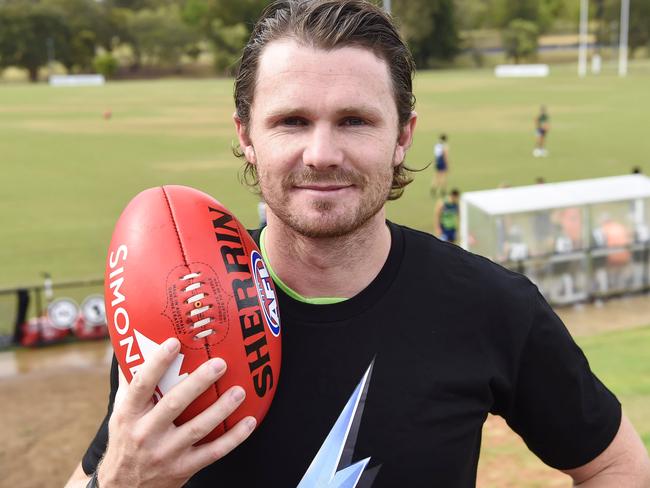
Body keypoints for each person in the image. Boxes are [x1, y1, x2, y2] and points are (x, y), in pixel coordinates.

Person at [66, 1, 650, 487]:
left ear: (403, 135)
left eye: (354, 121)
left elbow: (617, 464)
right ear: (246, 135)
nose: (321, 153)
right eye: (291, 121)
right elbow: (101, 469)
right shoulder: (179, 301)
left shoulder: (491, 306)